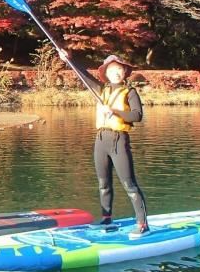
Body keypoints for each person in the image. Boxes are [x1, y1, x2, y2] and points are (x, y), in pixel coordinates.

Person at [58, 50, 149, 237]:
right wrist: (68, 59)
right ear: (106, 73)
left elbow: (137, 116)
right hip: (101, 141)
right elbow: (83, 75)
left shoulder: (130, 92)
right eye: (113, 70)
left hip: (118, 141)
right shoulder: (101, 90)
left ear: (124, 72)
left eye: (120, 69)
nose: (116, 72)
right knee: (103, 183)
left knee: (129, 184)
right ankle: (107, 219)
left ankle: (142, 224)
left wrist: (114, 111)